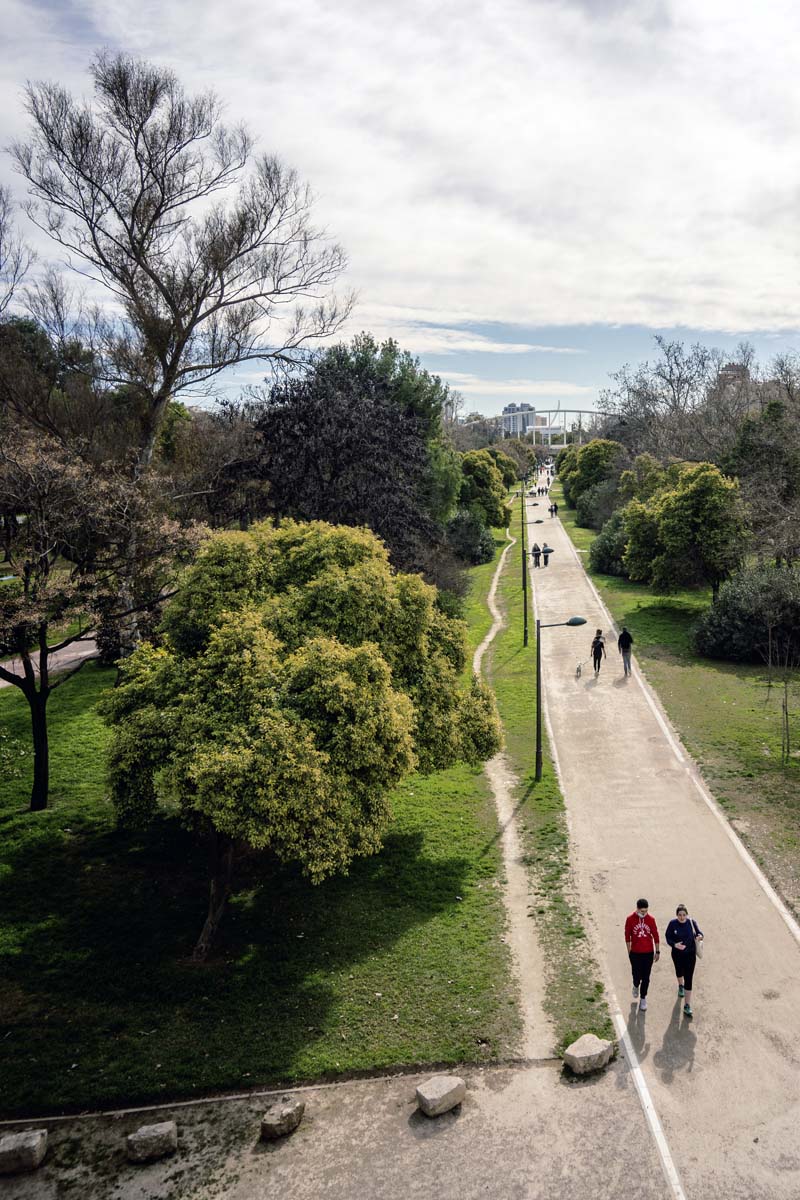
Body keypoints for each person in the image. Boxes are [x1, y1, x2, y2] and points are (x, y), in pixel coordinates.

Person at [665, 904, 703, 1018]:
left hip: (690, 956)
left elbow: (700, 933)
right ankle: (680, 985)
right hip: (677, 955)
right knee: (679, 971)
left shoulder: (691, 923)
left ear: (687, 915)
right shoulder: (672, 924)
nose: (682, 917)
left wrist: (699, 936)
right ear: (676, 915)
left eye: (684, 915)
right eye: (680, 915)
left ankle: (687, 1005)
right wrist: (674, 944)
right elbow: (668, 937)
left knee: (689, 978)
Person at [625, 898, 660, 1012]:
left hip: (648, 953)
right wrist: (629, 951)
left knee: (646, 977)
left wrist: (657, 951)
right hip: (635, 953)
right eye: (642, 911)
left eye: (645, 911)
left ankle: (643, 998)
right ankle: (635, 986)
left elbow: (655, 935)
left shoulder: (651, 919)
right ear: (637, 909)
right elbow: (627, 936)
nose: (644, 913)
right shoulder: (630, 919)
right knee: (636, 975)